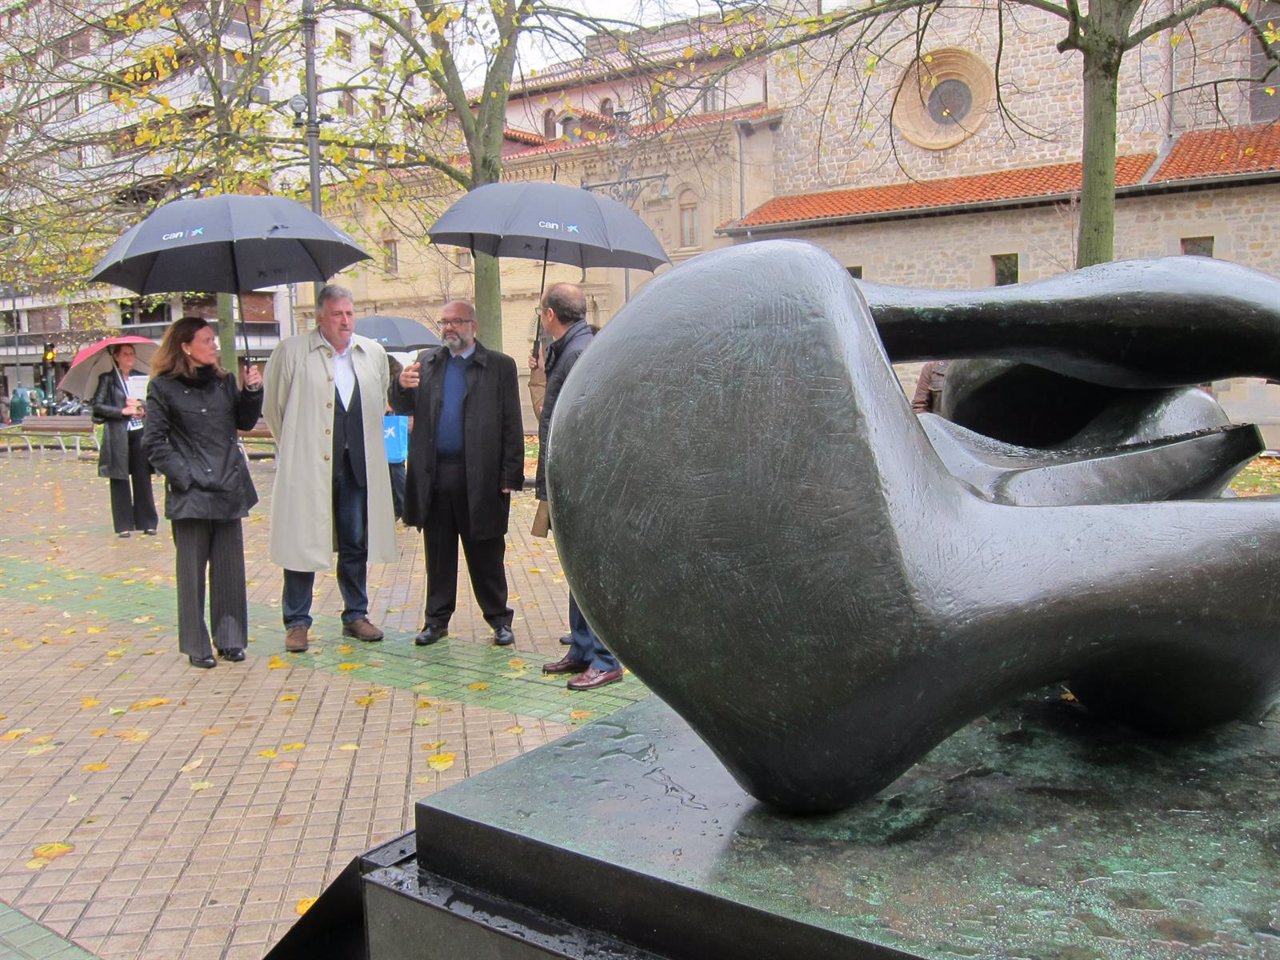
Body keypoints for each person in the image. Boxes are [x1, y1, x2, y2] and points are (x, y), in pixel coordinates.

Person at [264, 285, 396, 653]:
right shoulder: (291, 352)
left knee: (355, 542)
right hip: (310, 468)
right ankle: (297, 621)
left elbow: (378, 399)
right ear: (319, 317)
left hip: (356, 466)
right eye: (337, 314)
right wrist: (297, 447)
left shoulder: (371, 353)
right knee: (303, 542)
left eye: (350, 313)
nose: (345, 320)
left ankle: (356, 613)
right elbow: (275, 410)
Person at [391, 300, 523, 647]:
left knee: (486, 553)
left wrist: (511, 476)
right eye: (444, 322)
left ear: (473, 326)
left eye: (456, 322)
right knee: (438, 553)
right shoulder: (427, 362)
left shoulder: (499, 366)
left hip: (480, 478)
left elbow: (512, 423)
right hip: (435, 476)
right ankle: (436, 621)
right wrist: (401, 386)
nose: (449, 328)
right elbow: (402, 407)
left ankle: (499, 620)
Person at [143, 317, 263, 668]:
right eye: (207, 340)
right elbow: (154, 442)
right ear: (185, 346)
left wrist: (252, 390)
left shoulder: (225, 381)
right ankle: (197, 645)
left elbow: (244, 421)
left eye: (215, 339)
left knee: (230, 570)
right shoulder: (163, 388)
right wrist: (185, 476)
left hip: (228, 485)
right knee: (191, 572)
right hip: (191, 492)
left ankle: (230, 639)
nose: (214, 345)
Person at [536, 283, 624, 690]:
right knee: (576, 570)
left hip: (583, 480)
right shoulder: (569, 350)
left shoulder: (578, 352)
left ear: (550, 314)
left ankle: (605, 659)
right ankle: (583, 648)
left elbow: (584, 421)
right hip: (575, 477)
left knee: (590, 573)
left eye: (541, 312)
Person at [91, 343, 159, 538]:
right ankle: (123, 524)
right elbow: (97, 407)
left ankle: (147, 522)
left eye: (132, 354)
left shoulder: (141, 378)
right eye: (126, 354)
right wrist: (122, 411)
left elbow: (151, 402)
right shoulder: (108, 379)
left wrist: (141, 406)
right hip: (118, 435)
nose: (130, 357)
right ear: (116, 357)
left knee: (142, 478)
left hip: (139, 433)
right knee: (119, 479)